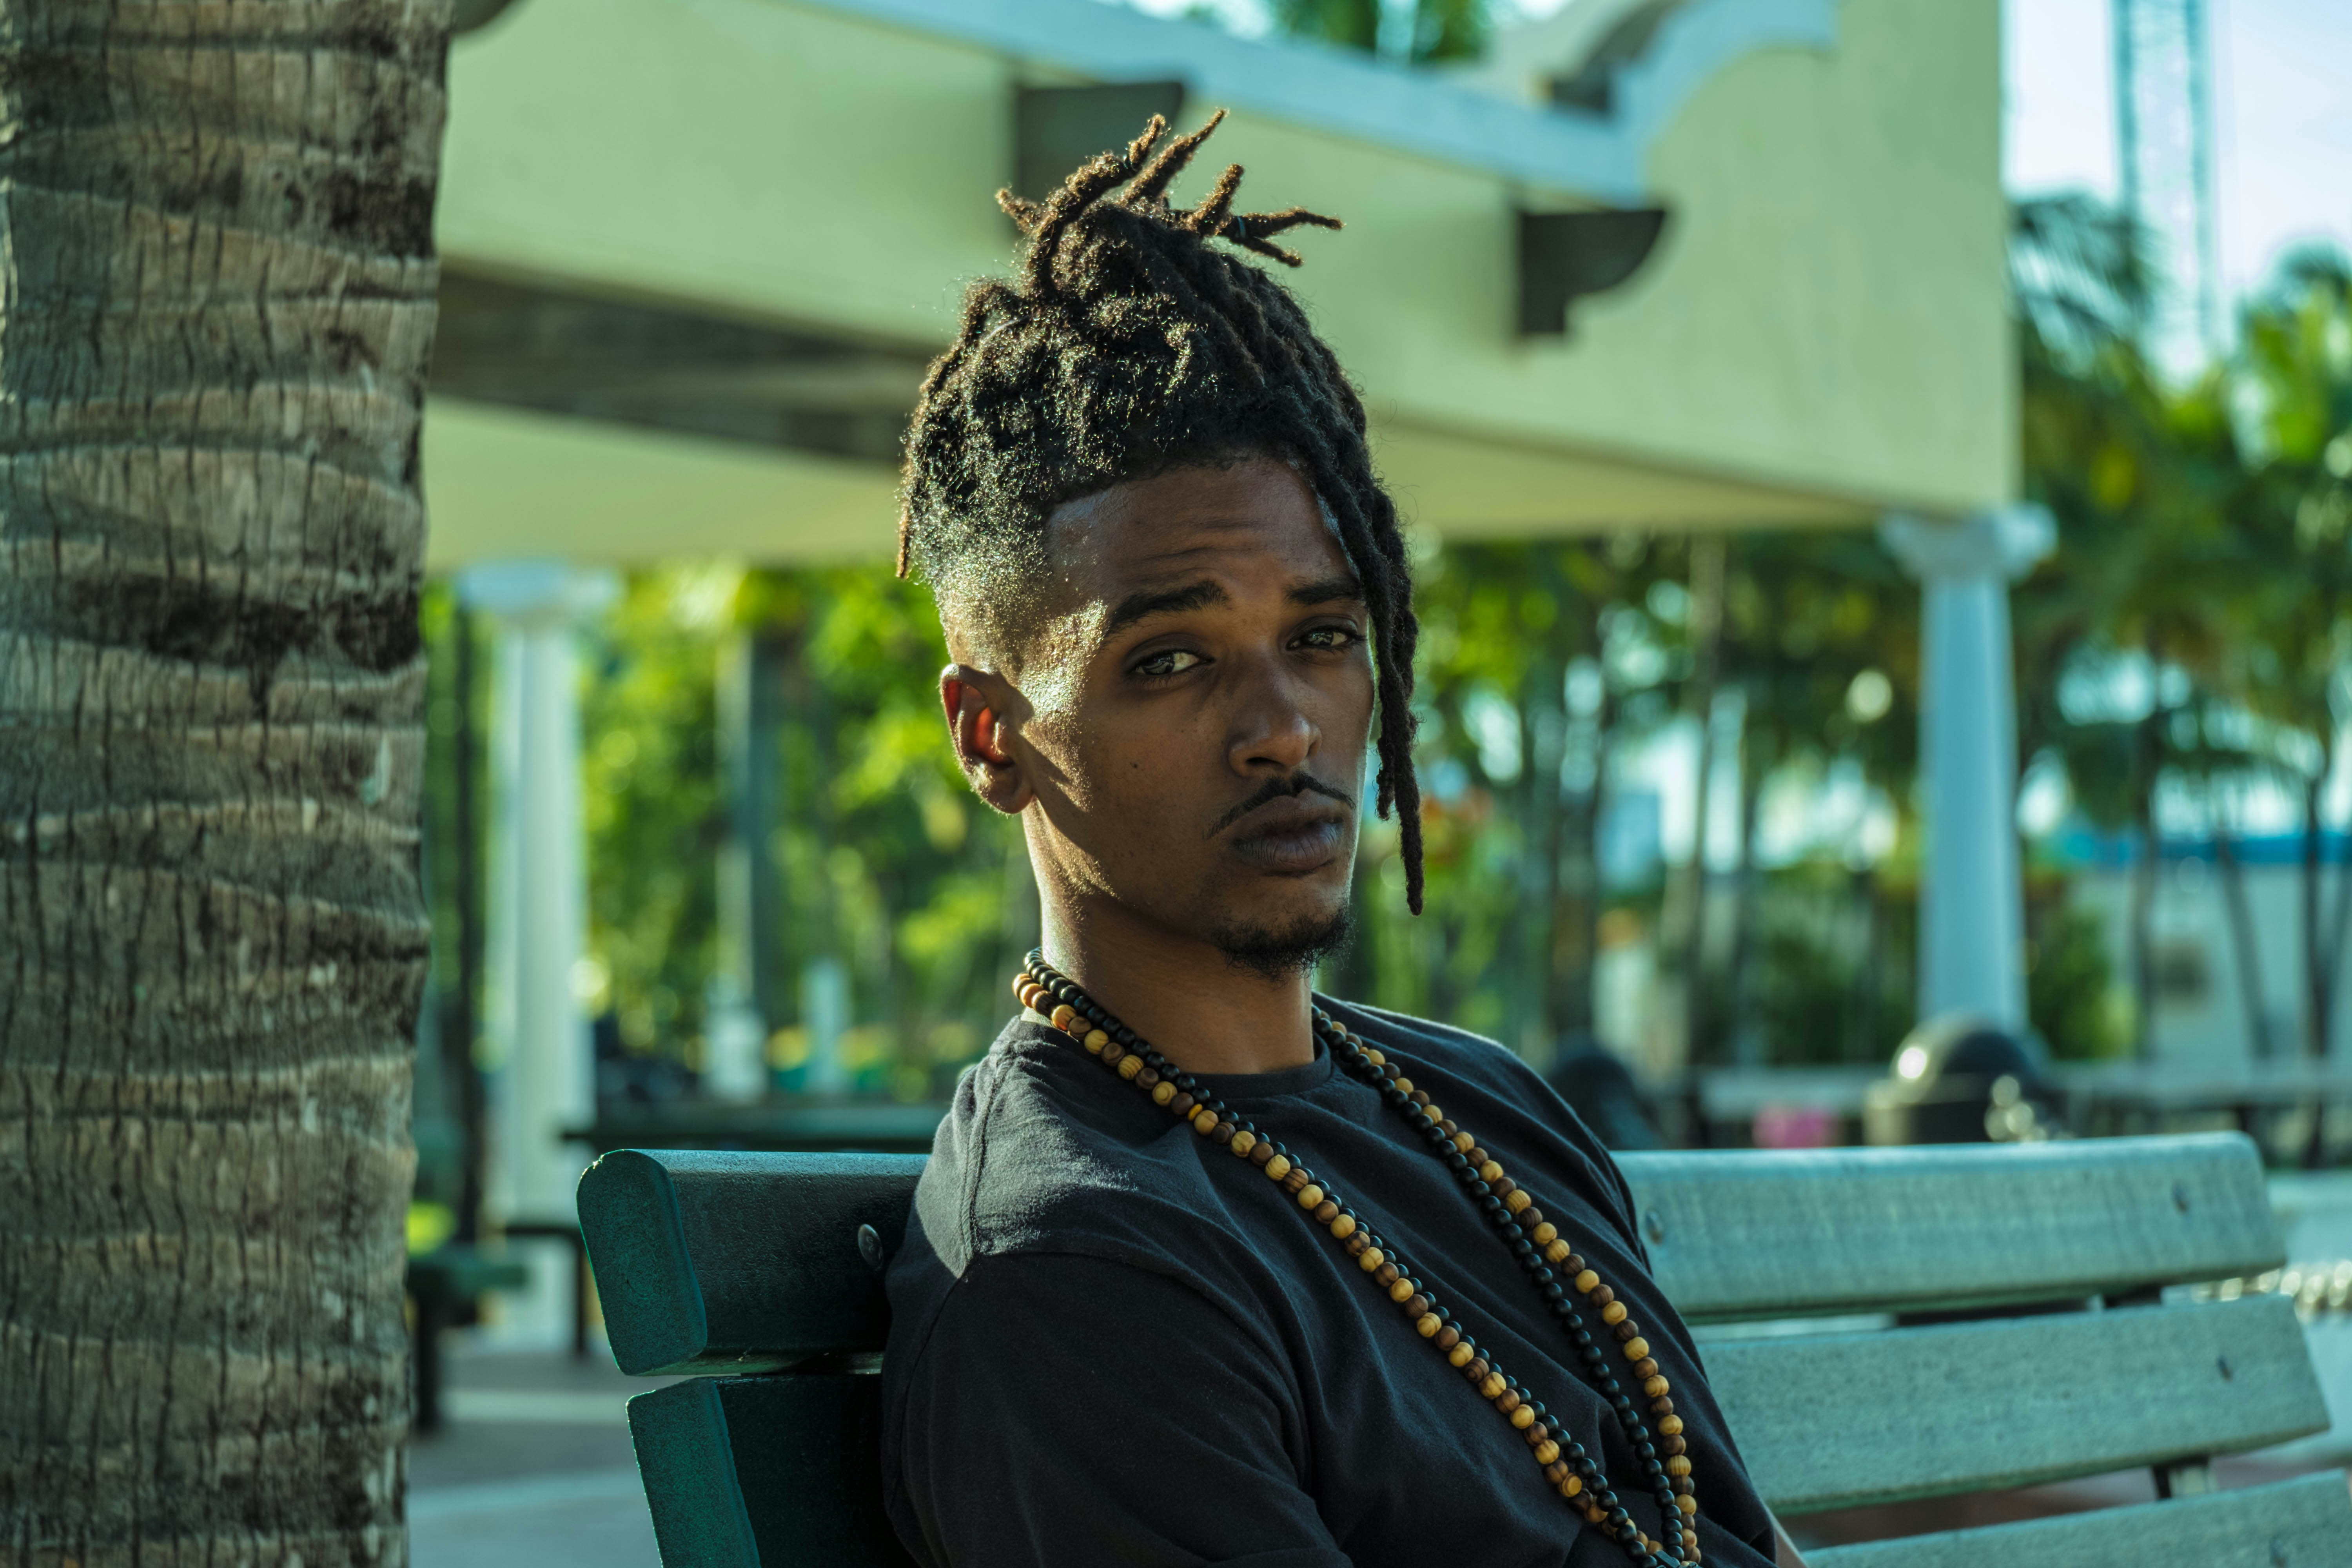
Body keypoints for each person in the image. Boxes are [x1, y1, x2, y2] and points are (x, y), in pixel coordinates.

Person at [881, 113, 1806, 1568]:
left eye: (1321, 638)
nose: (1283, 728)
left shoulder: (1487, 1108)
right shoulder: (1078, 1268)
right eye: (1170, 661)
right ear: (992, 738)